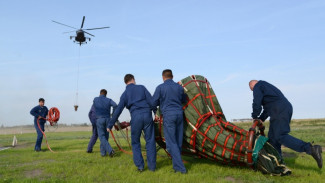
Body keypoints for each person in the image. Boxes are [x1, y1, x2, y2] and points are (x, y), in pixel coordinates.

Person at [249, 80, 323, 169]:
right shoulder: (267, 87)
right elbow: (268, 107)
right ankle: (278, 162)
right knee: (273, 138)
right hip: (282, 108)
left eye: (252, 90)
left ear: (252, 86)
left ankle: (310, 149)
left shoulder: (258, 86)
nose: (253, 92)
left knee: (280, 136)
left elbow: (257, 101)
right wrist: (261, 118)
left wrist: (254, 116)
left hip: (279, 110)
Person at [108, 74, 156, 172]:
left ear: (125, 82)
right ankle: (152, 167)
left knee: (135, 142)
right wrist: (155, 113)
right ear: (133, 79)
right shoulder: (142, 88)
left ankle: (140, 166)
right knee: (150, 141)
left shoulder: (125, 94)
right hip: (147, 115)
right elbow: (151, 102)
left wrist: (110, 124)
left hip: (135, 117)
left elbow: (118, 110)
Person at [152, 69, 187, 174]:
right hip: (179, 115)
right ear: (172, 76)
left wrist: (156, 113)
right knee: (178, 141)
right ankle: (176, 168)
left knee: (171, 143)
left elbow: (153, 102)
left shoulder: (160, 87)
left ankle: (181, 169)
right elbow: (184, 99)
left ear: (163, 77)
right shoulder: (179, 87)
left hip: (169, 115)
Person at [93, 89, 117, 157]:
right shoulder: (109, 100)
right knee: (105, 137)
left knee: (101, 137)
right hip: (108, 119)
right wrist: (113, 114)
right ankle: (103, 153)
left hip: (99, 119)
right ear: (106, 94)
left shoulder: (95, 99)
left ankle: (110, 150)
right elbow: (115, 105)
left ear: (100, 93)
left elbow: (94, 105)